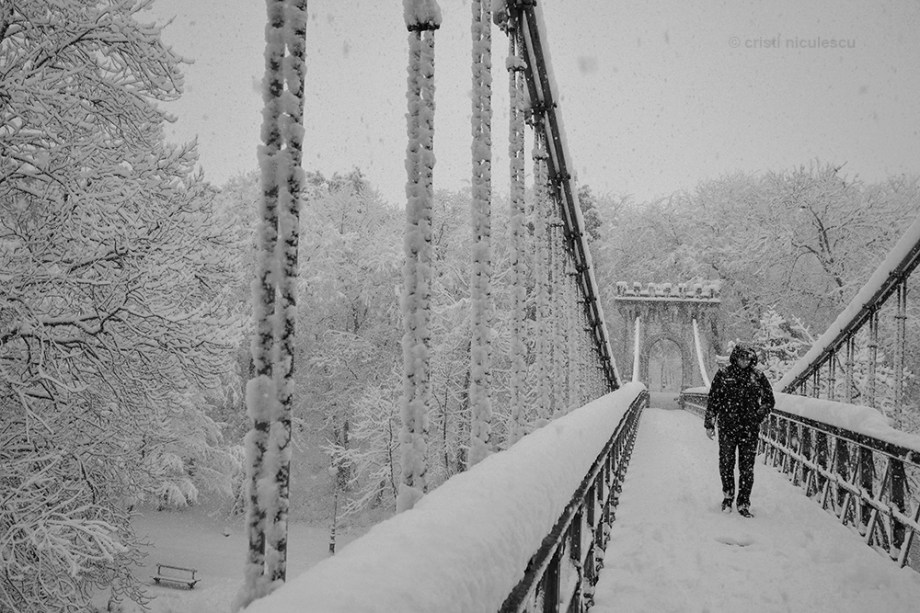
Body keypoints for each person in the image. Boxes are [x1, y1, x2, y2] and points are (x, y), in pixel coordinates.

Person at [704, 343, 775, 518]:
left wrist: (758, 415)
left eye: (748, 358)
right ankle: (728, 497)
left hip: (749, 430)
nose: (745, 361)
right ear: (735, 357)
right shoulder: (723, 374)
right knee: (726, 464)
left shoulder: (757, 376)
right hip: (727, 428)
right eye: (742, 357)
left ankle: (743, 503)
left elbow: (769, 400)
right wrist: (709, 423)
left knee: (746, 468)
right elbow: (713, 399)